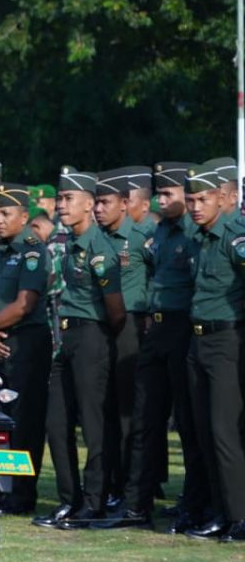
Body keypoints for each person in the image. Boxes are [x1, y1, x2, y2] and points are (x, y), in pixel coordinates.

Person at [103, 161, 203, 530]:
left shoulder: (194, 233)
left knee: (190, 425)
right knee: (144, 419)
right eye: (159, 193)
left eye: (168, 193)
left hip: (183, 329)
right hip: (155, 329)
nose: (162, 199)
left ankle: (194, 504)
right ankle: (136, 505)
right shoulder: (159, 233)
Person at [35, 167, 125, 530]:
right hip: (65, 338)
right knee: (56, 425)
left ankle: (94, 501)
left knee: (93, 425)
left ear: (89, 204)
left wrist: (98, 336)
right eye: (59, 198)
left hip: (91, 336)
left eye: (68, 199)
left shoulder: (98, 248)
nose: (61, 205)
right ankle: (68, 500)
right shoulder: (68, 244)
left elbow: (116, 310)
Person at [0, 184, 51, 514]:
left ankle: (20, 494)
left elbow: (23, 305)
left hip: (23, 344)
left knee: (22, 422)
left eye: (6, 214)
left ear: (23, 216)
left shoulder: (32, 250)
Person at [181, 163, 245, 542]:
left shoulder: (234, 238)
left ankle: (239, 515)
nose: (195, 206)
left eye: (203, 199)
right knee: (203, 431)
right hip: (197, 339)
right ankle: (219, 511)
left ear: (221, 199)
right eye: (190, 200)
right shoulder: (199, 238)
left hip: (227, 341)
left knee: (225, 432)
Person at [93, 168, 152, 511]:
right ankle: (111, 484)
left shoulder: (144, 237)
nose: (99, 209)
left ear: (125, 203)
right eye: (96, 203)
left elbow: (161, 279)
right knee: (105, 411)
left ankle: (132, 488)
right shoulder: (94, 240)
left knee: (130, 414)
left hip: (131, 324)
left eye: (105, 203)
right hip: (101, 325)